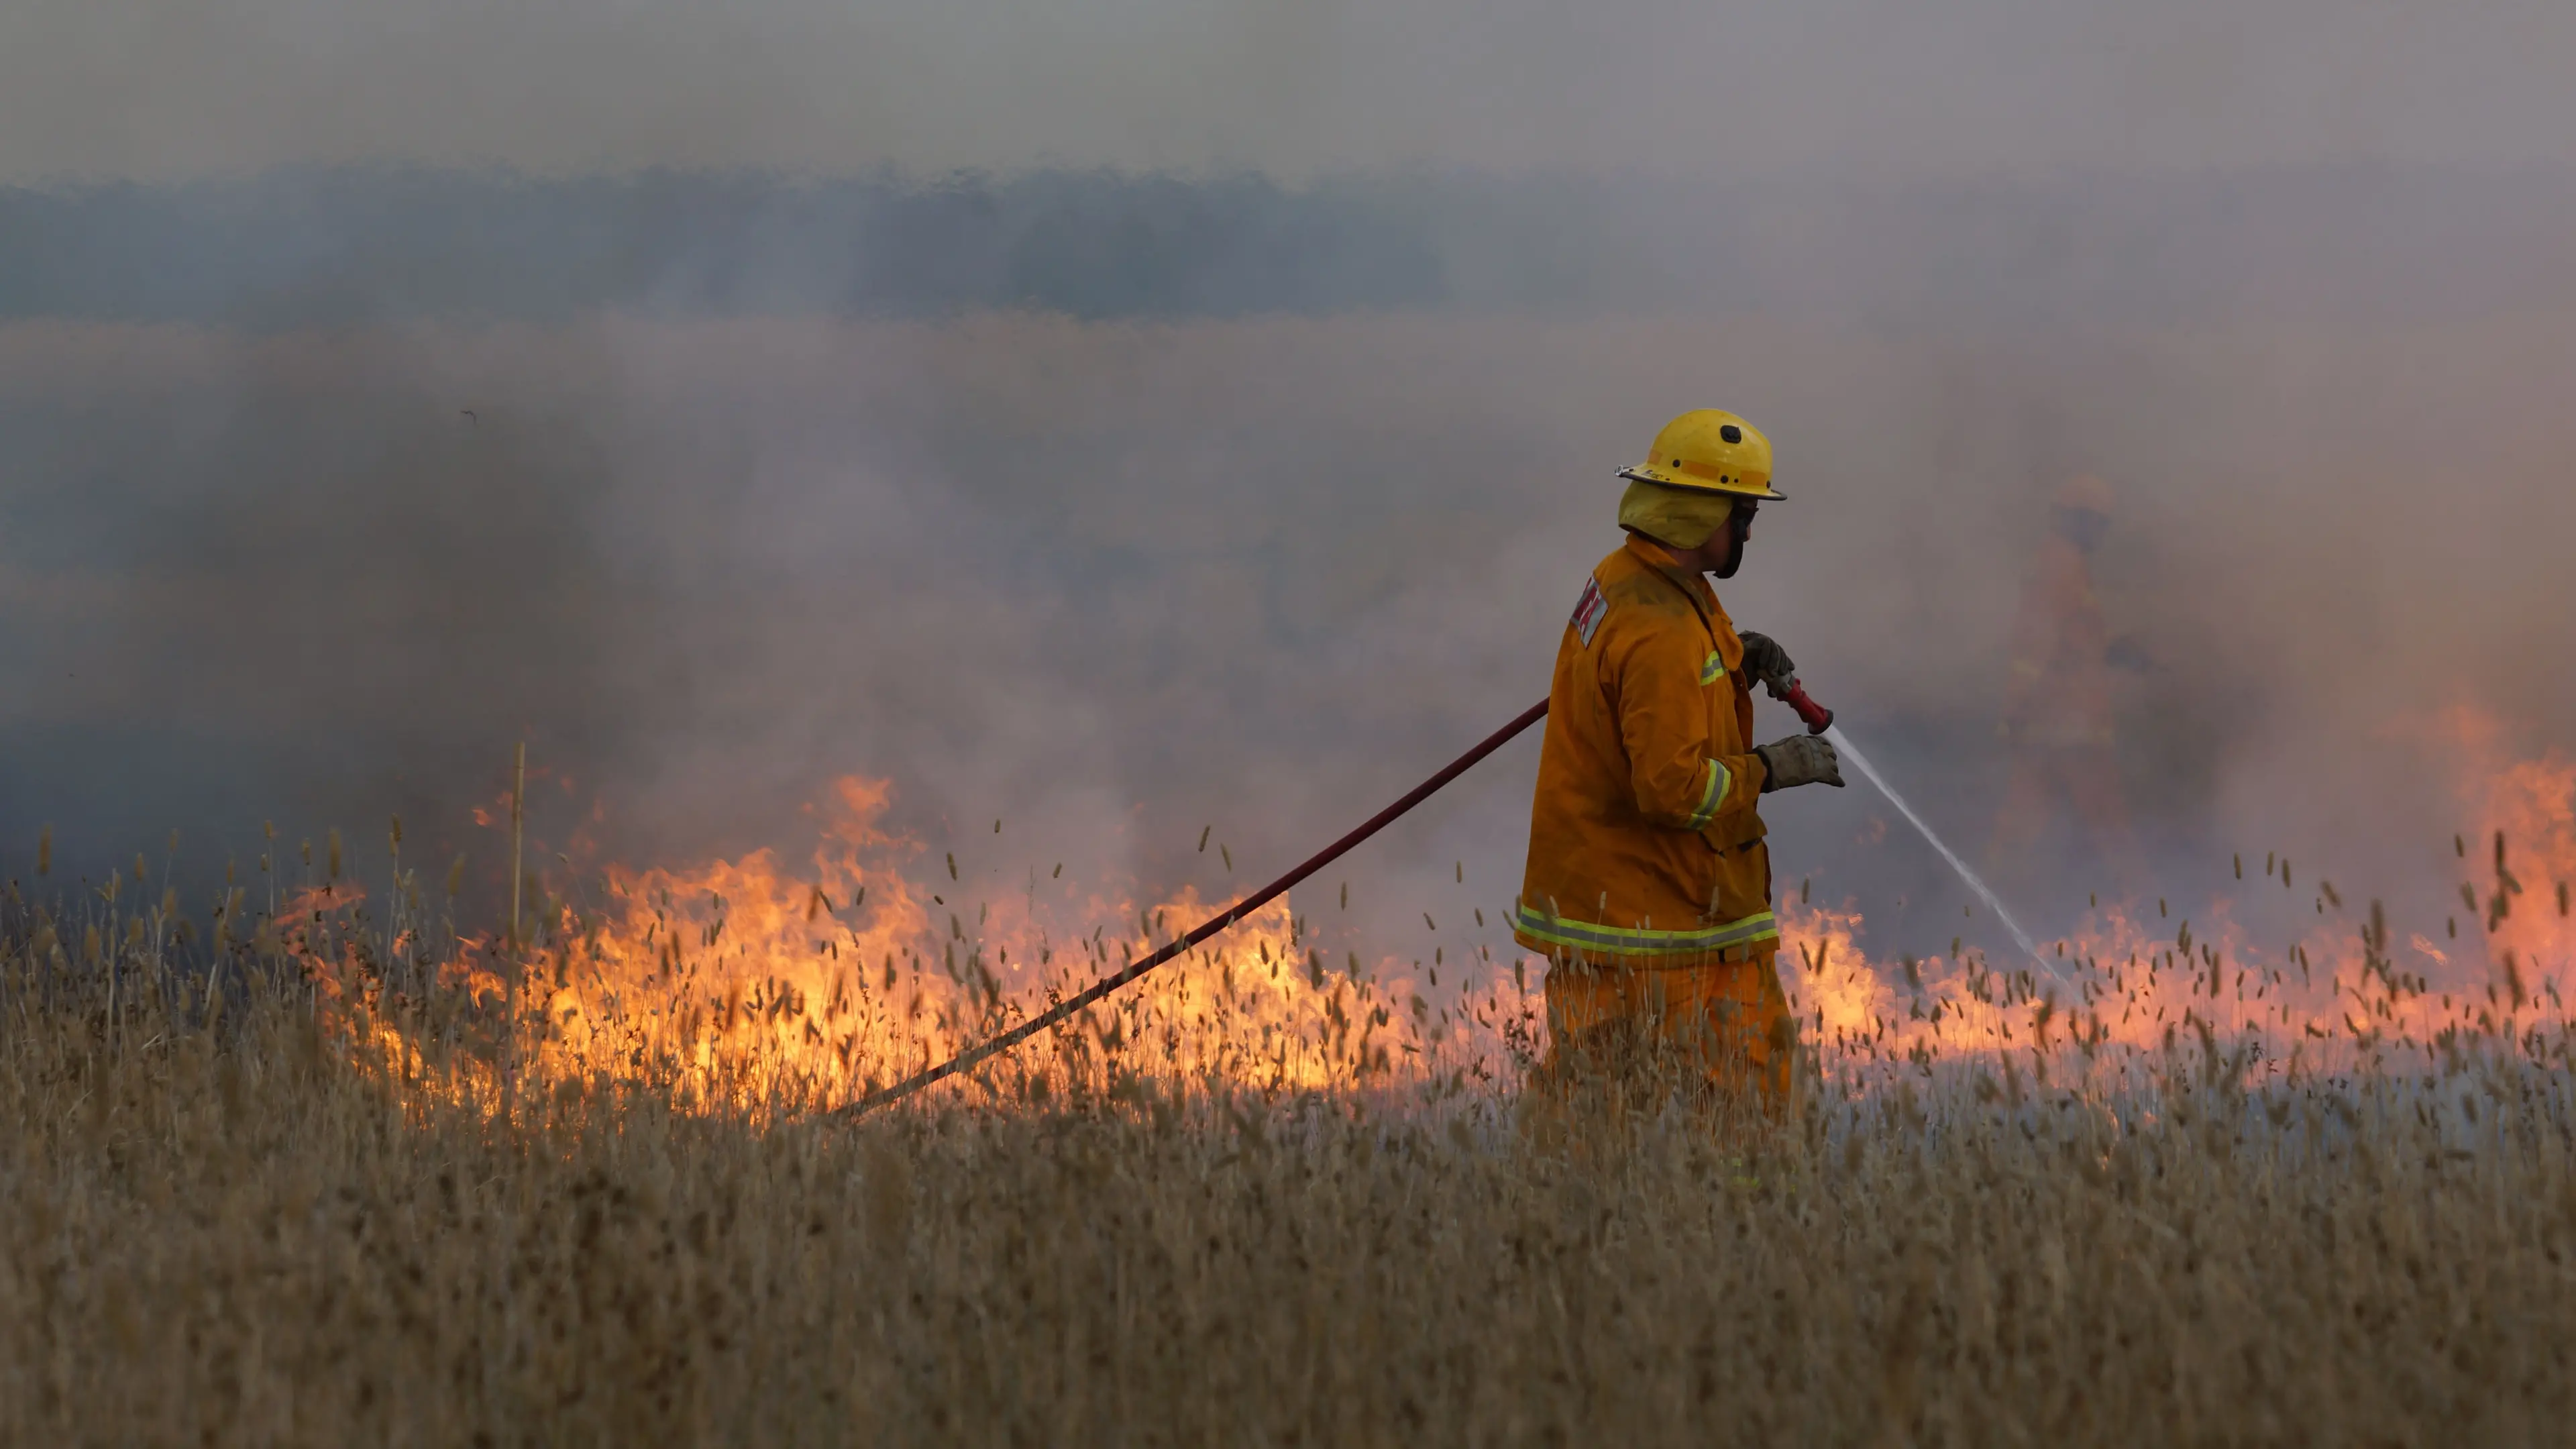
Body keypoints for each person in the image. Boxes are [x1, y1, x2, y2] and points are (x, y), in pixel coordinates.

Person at [1513, 409, 1843, 1118]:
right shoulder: (1660, 627)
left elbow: (1651, 703)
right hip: (1673, 926)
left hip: (1607, 917)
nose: (1749, 532)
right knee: (1757, 1112)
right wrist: (1773, 768)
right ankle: (1755, 1221)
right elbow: (1671, 790)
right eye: (1744, 513)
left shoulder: (1631, 577)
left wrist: (1733, 663)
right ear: (1701, 514)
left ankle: (1550, 1225)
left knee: (1588, 1122)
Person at [1986, 474, 2151, 896]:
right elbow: (2036, 646)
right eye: (2098, 522)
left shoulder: (2065, 566)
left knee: (2020, 824)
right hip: (2071, 728)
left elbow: (2070, 641)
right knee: (2109, 822)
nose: (2102, 533)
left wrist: (2113, 653)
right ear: (2078, 520)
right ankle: (2144, 907)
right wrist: (2016, 708)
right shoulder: (2061, 567)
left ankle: (1987, 899)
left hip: (2054, 726)